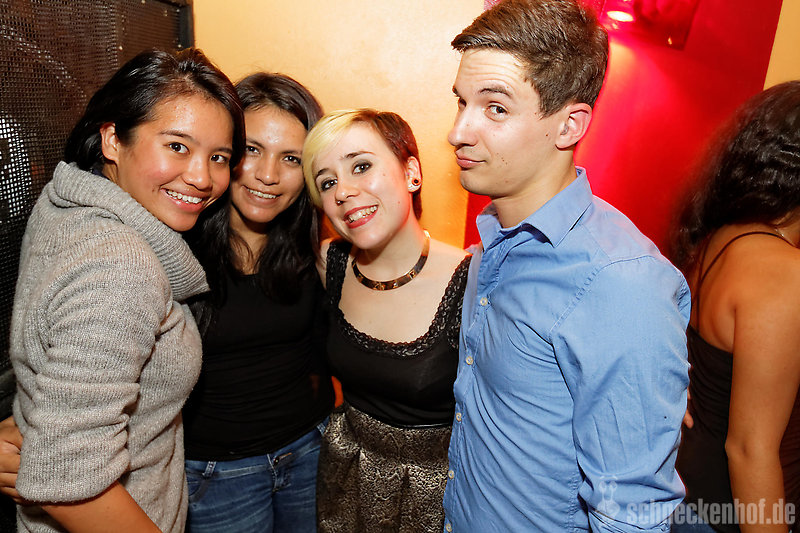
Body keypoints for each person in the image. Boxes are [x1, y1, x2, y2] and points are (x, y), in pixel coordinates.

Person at [441, 1, 690, 531]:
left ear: (569, 125)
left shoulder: (621, 284)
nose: (458, 131)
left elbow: (633, 515)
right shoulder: (492, 244)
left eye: (495, 108)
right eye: (462, 102)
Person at [8, 48, 244, 533]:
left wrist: (30, 419)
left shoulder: (67, 203)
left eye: (218, 157)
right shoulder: (122, 267)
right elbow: (68, 478)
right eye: (177, 146)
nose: (202, 178)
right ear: (113, 139)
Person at [301, 109, 471, 532]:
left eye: (361, 166)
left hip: (433, 500)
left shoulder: (472, 281)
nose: (343, 191)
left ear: (411, 173)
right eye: (327, 182)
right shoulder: (329, 263)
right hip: (345, 481)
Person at [181, 72, 334, 533]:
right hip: (216, 474)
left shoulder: (316, 251)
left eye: (291, 158)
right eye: (252, 149)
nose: (269, 175)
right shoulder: (174, 248)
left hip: (310, 451)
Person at [671, 81, 800, 533]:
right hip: (730, 515)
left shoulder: (723, 234)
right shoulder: (783, 272)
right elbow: (749, 450)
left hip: (690, 496)